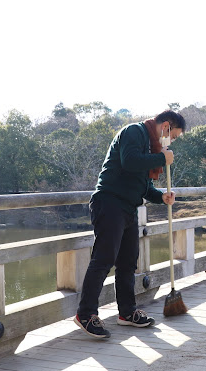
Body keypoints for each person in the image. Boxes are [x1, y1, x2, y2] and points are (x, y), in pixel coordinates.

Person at [74, 110, 185, 339]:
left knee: (128, 262)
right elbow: (130, 161)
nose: (171, 142)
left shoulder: (151, 146)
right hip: (109, 201)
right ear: (165, 126)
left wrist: (161, 197)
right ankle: (85, 314)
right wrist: (162, 158)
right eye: (172, 136)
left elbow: (142, 186)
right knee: (104, 259)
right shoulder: (134, 132)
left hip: (128, 207)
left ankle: (126, 312)